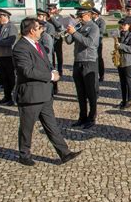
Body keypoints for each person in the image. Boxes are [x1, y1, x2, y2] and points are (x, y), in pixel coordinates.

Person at [12, 17, 82, 166]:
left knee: (52, 126)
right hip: (30, 95)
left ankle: (64, 153)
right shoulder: (20, 47)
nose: (42, 30)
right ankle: (24, 155)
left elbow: (47, 62)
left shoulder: (37, 44)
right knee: (27, 127)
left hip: (44, 94)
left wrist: (53, 70)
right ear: (32, 30)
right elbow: (26, 71)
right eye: (39, 28)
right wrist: (50, 76)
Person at [65, 5, 100, 129]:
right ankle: (82, 117)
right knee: (80, 92)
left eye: (81, 15)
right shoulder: (79, 27)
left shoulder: (94, 27)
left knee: (90, 92)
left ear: (88, 15)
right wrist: (69, 31)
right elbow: (69, 41)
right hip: (78, 61)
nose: (78, 18)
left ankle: (92, 117)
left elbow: (89, 43)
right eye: (78, 16)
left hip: (89, 61)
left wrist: (75, 33)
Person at [0, 8, 18, 106]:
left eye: (0, 16)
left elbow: (11, 41)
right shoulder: (1, 27)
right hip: (1, 55)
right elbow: (1, 39)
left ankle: (14, 98)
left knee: (11, 78)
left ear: (5, 16)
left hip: (9, 56)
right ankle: (6, 97)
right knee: (4, 78)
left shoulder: (11, 27)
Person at [115, 18, 131, 109]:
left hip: (128, 61)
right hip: (120, 60)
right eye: (121, 25)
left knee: (128, 81)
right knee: (122, 82)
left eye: (124, 25)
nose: (122, 26)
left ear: (129, 25)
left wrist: (121, 45)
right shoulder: (120, 34)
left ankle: (130, 100)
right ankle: (123, 100)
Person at [47, 3, 64, 76]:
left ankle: (60, 70)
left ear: (55, 9)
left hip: (57, 38)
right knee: (51, 54)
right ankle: (52, 69)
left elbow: (59, 26)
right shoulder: (47, 17)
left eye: (51, 9)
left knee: (59, 55)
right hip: (50, 38)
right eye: (49, 9)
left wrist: (52, 18)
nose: (50, 11)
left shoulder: (59, 17)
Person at [92, 8, 106, 82]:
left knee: (99, 58)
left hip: (98, 42)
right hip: (91, 43)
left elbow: (102, 30)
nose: (91, 15)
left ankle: (101, 75)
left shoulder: (101, 21)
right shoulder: (91, 21)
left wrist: (92, 30)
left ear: (96, 14)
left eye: (92, 14)